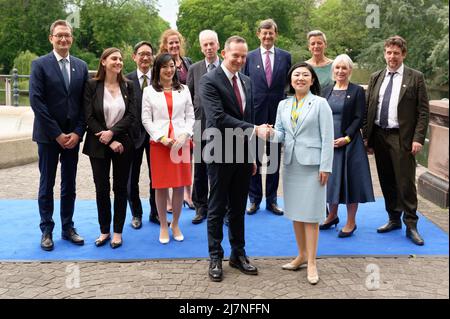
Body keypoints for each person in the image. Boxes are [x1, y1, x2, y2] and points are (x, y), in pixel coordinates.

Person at [199, 35, 271, 282]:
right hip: (218, 152)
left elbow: (248, 113)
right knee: (217, 208)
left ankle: (238, 255)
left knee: (238, 208)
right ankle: (215, 257)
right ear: (224, 54)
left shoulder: (247, 81)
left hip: (242, 155)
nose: (239, 60)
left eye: (243, 56)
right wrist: (254, 129)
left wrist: (252, 155)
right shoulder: (209, 81)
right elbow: (217, 118)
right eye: (235, 56)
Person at [270, 62, 333, 285]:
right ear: (291, 80)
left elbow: (327, 137)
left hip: (313, 166)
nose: (300, 78)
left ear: (312, 80)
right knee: (296, 212)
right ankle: (301, 255)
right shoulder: (283, 105)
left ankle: (313, 262)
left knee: (312, 215)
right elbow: (281, 134)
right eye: (296, 75)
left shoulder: (320, 103)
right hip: (291, 165)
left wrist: (326, 166)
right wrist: (269, 134)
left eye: (305, 75)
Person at [363, 36, 429, 246]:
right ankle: (393, 218)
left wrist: (418, 138)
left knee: (406, 182)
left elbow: (423, 112)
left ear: (403, 55)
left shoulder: (415, 77)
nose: (392, 57)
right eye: (389, 53)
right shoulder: (376, 77)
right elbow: (368, 108)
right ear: (385, 54)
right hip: (379, 135)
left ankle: (411, 224)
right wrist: (367, 137)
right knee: (386, 179)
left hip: (403, 137)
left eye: (396, 53)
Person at [29, 20, 88, 251]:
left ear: (72, 38)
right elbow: (37, 101)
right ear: (51, 38)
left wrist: (77, 132)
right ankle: (46, 229)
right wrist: (57, 134)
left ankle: (67, 227)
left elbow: (85, 104)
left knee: (69, 185)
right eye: (59, 35)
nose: (63, 39)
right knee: (47, 184)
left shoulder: (81, 66)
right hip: (48, 137)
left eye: (67, 35)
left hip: (73, 137)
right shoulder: (40, 65)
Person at [83, 47, 135, 249]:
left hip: (123, 144)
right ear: (103, 61)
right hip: (98, 144)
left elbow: (131, 116)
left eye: (121, 59)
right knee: (101, 189)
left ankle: (117, 232)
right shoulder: (91, 86)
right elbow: (88, 116)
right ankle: (104, 230)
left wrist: (113, 134)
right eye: (114, 58)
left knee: (121, 188)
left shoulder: (128, 86)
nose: (119, 62)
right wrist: (106, 137)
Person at [141, 53, 195, 244]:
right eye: (165, 66)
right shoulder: (149, 91)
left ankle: (176, 223)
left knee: (180, 185)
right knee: (161, 186)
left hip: (181, 143)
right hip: (160, 144)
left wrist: (185, 134)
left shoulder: (185, 89)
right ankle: (164, 224)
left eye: (172, 66)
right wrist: (161, 137)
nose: (169, 70)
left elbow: (191, 116)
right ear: (157, 69)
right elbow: (146, 119)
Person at [320, 54, 375, 237]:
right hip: (329, 142)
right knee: (331, 180)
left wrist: (347, 138)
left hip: (349, 143)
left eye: (344, 68)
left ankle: (351, 222)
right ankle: (332, 215)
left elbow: (360, 117)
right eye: (337, 68)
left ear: (350, 70)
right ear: (333, 70)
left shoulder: (357, 90)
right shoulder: (326, 90)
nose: (340, 71)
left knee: (351, 182)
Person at [244, 18, 291, 216]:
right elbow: (244, 84)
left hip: (277, 116)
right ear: (258, 35)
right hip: (254, 116)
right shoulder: (249, 57)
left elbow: (289, 85)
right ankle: (254, 200)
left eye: (271, 33)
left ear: (276, 34)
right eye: (264, 33)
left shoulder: (285, 56)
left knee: (273, 160)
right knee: (253, 158)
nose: (267, 36)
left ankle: (271, 200)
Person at [126, 41, 162, 229]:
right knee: (132, 177)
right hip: (132, 137)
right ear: (134, 57)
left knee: (156, 177)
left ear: (153, 57)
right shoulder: (125, 80)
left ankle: (155, 212)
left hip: (156, 137)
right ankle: (136, 213)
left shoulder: (159, 81)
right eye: (141, 54)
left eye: (149, 54)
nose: (145, 58)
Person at [187, 30, 221, 224]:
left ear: (218, 45)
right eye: (205, 45)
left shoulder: (226, 68)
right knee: (199, 169)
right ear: (201, 48)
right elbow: (189, 99)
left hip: (222, 128)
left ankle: (220, 206)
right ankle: (201, 207)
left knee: (219, 170)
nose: (208, 48)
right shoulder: (194, 69)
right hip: (199, 126)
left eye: (211, 44)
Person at [158, 29, 195, 211]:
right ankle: (168, 199)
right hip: (167, 118)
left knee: (186, 159)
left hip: (184, 118)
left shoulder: (188, 63)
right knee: (167, 162)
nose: (174, 46)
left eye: (176, 42)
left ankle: (188, 194)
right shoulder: (161, 63)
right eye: (170, 43)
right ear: (165, 45)